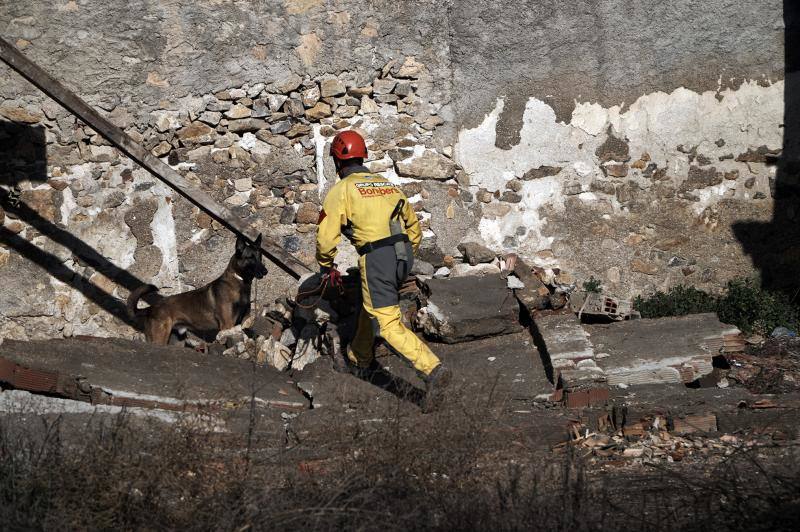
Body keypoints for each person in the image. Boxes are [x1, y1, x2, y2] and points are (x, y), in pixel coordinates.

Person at [315, 130, 452, 412]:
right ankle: (359, 358)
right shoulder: (386, 184)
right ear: (362, 156)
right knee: (373, 306)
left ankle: (433, 370)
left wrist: (326, 264)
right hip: (402, 255)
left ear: (338, 162)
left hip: (376, 257)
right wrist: (404, 255)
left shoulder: (342, 190)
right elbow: (413, 226)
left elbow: (326, 236)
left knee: (387, 324)